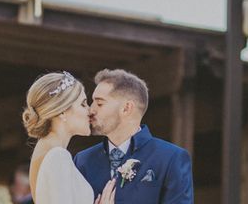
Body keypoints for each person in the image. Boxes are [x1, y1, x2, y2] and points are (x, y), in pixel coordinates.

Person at [74, 69, 194, 204]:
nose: (91, 110)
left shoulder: (171, 158)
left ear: (126, 108)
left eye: (100, 103)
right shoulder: (82, 161)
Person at [22, 71, 115, 204]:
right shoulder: (57, 156)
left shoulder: (45, 150)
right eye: (83, 104)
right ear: (62, 111)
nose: (90, 111)